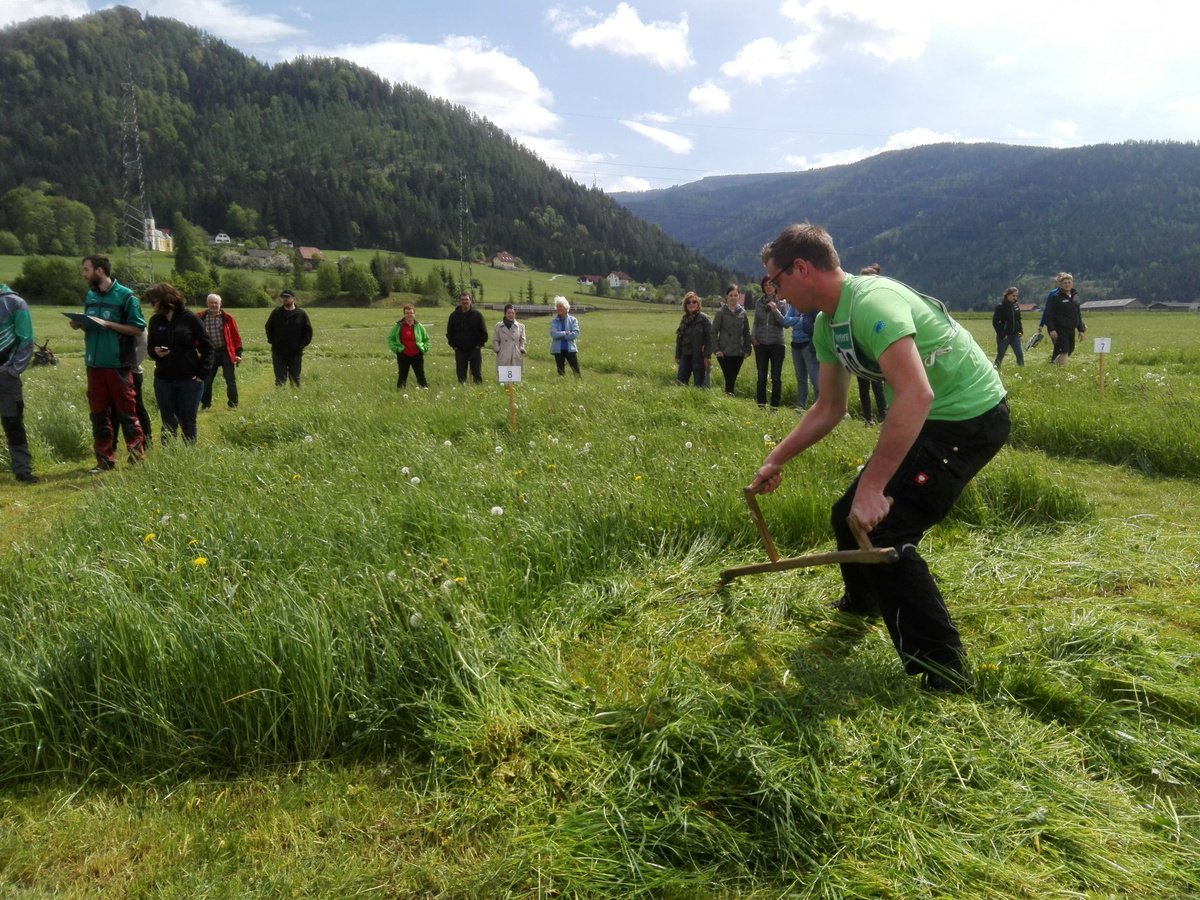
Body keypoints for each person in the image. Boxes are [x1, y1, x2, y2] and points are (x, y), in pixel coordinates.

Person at [754, 223, 1010, 693]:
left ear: (801, 268)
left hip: (969, 420)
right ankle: (863, 604)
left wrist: (873, 487)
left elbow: (915, 393)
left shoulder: (873, 303)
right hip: (929, 417)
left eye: (775, 280)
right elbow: (829, 407)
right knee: (846, 515)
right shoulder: (828, 323)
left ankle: (945, 672)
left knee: (885, 530)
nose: (775, 292)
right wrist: (776, 458)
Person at [72, 255, 146, 472]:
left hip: (118, 364)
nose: (83, 274)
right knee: (98, 414)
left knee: (127, 412)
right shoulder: (91, 295)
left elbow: (137, 329)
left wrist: (108, 324)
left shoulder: (126, 296)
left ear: (99, 271)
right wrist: (80, 323)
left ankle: (137, 457)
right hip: (94, 364)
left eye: (86, 269)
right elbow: (92, 325)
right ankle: (104, 460)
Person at [146, 283, 214, 444]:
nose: (152, 306)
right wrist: (155, 352)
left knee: (188, 421)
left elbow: (208, 347)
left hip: (189, 380)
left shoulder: (190, 318)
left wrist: (202, 374)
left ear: (166, 300)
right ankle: (169, 455)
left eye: (154, 301)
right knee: (168, 421)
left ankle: (189, 455)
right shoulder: (155, 321)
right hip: (163, 379)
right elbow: (150, 347)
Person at [0, 282, 38, 483]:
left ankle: (22, 471)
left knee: (13, 422)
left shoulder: (15, 303)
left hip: (6, 376)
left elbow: (26, 339)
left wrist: (14, 370)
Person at [106, 327, 152, 449]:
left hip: (132, 372)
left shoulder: (133, 320)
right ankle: (112, 444)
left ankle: (146, 441)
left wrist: (131, 365)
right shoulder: (112, 320)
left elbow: (144, 344)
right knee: (113, 409)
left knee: (136, 407)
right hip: (112, 371)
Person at [856, 264, 889, 425]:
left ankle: (882, 417)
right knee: (865, 387)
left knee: (877, 386)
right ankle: (869, 418)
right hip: (862, 352)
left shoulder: (880, 304)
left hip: (874, 352)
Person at [198, 293, 243, 409]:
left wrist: (238, 354)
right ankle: (206, 404)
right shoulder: (200, 317)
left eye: (216, 303)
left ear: (220, 304)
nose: (214, 305)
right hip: (209, 353)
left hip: (226, 352)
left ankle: (233, 404)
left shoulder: (228, 318)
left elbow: (236, 337)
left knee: (230, 380)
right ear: (207, 303)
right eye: (211, 303)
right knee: (207, 380)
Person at [752, 275, 788, 409]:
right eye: (766, 285)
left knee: (776, 377)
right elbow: (756, 322)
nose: (768, 287)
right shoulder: (759, 303)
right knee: (761, 376)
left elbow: (785, 323)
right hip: (761, 345)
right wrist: (753, 337)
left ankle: (774, 407)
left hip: (777, 345)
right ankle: (761, 405)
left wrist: (775, 310)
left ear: (776, 286)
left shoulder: (782, 303)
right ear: (763, 287)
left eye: (771, 284)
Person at [265, 289, 312, 387]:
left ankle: (295, 396)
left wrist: (301, 345)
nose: (285, 299)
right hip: (278, 352)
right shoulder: (276, 312)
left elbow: (308, 331)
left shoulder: (301, 314)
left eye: (287, 297)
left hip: (295, 353)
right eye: (283, 297)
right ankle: (280, 396)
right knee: (280, 379)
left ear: (293, 298)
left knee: (295, 379)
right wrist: (273, 341)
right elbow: (268, 327)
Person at [711, 284, 751, 395]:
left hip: (739, 353)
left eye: (735, 295)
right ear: (726, 296)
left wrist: (748, 349)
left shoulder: (743, 312)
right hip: (724, 353)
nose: (733, 297)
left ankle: (728, 399)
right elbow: (713, 332)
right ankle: (729, 398)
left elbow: (746, 332)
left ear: (739, 296)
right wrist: (716, 350)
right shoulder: (720, 312)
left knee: (732, 378)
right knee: (729, 377)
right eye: (731, 295)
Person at [781, 304, 819, 410]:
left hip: (807, 344)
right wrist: (798, 319)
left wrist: (794, 321)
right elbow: (785, 321)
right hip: (795, 344)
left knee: (814, 377)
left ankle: (817, 407)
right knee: (801, 378)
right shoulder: (794, 306)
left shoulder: (809, 306)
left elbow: (806, 325)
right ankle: (801, 406)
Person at [1044, 272, 1086, 365]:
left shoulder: (1075, 296)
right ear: (1061, 284)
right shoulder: (1056, 297)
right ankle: (1063, 369)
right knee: (1064, 350)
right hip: (1060, 329)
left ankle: (1053, 364)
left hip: (1071, 328)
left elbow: (1078, 314)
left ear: (1072, 283)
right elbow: (1049, 315)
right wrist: (1051, 329)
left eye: (1069, 282)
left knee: (1070, 349)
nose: (1067, 284)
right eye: (1065, 283)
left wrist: (1081, 329)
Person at [446, 291, 488, 384]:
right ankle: (462, 390)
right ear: (459, 301)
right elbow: (449, 333)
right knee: (461, 375)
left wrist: (479, 345)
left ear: (471, 301)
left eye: (466, 299)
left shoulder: (477, 315)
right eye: (463, 300)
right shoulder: (453, 316)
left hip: (475, 349)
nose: (465, 301)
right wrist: (454, 346)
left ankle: (478, 390)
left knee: (477, 374)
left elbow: (484, 332)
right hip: (460, 350)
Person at [674, 291, 712, 387]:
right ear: (685, 305)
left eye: (694, 302)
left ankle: (698, 397)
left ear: (698, 304)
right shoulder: (684, 320)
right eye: (688, 302)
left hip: (699, 356)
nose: (691, 304)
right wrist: (678, 355)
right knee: (681, 382)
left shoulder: (704, 318)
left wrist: (707, 355)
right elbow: (679, 339)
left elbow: (710, 338)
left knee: (699, 384)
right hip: (685, 355)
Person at [388, 303, 430, 389]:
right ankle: (400, 393)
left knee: (421, 376)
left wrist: (424, 348)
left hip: (417, 355)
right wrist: (396, 349)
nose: (409, 315)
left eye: (411, 313)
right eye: (407, 313)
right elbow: (390, 339)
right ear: (404, 314)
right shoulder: (398, 326)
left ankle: (425, 391)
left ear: (414, 314)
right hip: (403, 355)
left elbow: (426, 339)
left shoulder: (419, 326)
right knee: (402, 376)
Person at [992, 287, 1024, 368]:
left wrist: (1020, 330)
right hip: (1004, 336)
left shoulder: (1016, 306)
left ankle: (1022, 369)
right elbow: (995, 322)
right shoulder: (1000, 306)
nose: (1015, 298)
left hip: (1015, 335)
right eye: (1013, 296)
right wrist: (1002, 334)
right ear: (1007, 295)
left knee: (1019, 354)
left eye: (1016, 296)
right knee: (1000, 355)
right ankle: (995, 369)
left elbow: (1018, 319)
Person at [550, 296, 581, 377]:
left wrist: (560, 335)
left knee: (576, 371)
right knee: (560, 372)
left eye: (561, 306)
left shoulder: (573, 320)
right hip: (558, 350)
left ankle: (579, 384)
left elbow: (575, 333)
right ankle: (562, 384)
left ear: (566, 308)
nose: (559, 308)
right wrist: (565, 333)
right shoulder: (554, 321)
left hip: (570, 349)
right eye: (557, 307)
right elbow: (553, 334)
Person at [492, 303, 527, 371]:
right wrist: (497, 350)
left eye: (513, 313)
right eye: (509, 313)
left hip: (516, 354)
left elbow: (523, 339)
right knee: (503, 375)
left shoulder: (521, 326)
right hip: (503, 354)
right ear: (505, 314)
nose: (511, 315)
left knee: (515, 375)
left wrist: (521, 349)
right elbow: (496, 339)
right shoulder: (498, 326)